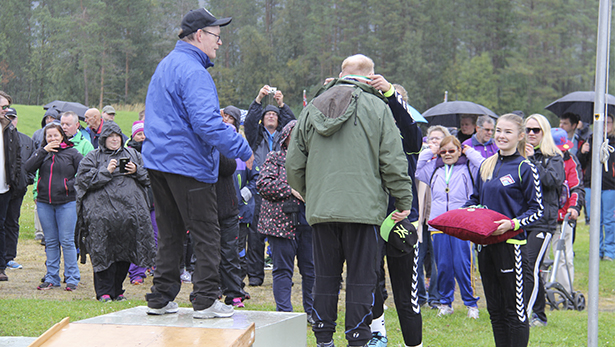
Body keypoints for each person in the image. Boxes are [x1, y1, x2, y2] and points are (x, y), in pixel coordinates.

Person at [286, 54, 414, 347]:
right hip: (364, 210)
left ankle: (323, 339)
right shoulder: (378, 107)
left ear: (341, 73)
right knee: (361, 278)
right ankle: (357, 338)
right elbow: (393, 161)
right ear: (370, 77)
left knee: (325, 276)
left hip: (323, 210)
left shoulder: (312, 107)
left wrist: (309, 192)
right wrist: (403, 199)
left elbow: (294, 160)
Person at [142, 8, 254, 319]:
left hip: (159, 162)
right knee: (207, 232)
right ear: (200, 36)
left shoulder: (165, 65)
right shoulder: (194, 72)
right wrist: (242, 148)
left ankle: (161, 297)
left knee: (171, 232)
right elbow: (207, 124)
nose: (220, 43)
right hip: (188, 164)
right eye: (217, 37)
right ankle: (205, 299)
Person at [463, 113, 543, 347]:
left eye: (508, 132)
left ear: (519, 136)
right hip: (486, 246)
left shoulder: (525, 167)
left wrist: (513, 224)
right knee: (495, 310)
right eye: (498, 130)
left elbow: (537, 210)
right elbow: (475, 199)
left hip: (512, 247)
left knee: (515, 312)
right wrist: (465, 215)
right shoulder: (487, 165)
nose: (501, 135)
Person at [367, 77, 423, 346]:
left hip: (400, 220)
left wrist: (391, 93)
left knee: (405, 293)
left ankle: (414, 343)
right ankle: (378, 334)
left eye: (393, 100)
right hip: (371, 219)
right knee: (371, 284)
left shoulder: (409, 136)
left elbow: (414, 138)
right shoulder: (370, 131)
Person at [75, 121, 155, 301]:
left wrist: (136, 170)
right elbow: (82, 182)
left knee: (125, 252)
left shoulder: (133, 154)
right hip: (102, 217)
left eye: (117, 136)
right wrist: (105, 171)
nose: (114, 139)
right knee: (103, 252)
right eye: (110, 136)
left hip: (129, 216)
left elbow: (149, 178)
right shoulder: (92, 157)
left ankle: (118, 290)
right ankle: (104, 291)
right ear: (103, 138)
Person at [415, 135, 483, 319]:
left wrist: (470, 152)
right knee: (443, 265)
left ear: (459, 150)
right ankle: (446, 303)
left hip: (462, 222)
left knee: (463, 264)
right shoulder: (434, 168)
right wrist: (431, 150)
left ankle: (471, 304)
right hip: (439, 222)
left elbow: (484, 167)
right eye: (443, 151)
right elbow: (417, 167)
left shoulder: (468, 166)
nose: (447, 154)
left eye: (452, 151)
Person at [257, 120, 315, 321]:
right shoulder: (275, 158)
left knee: (311, 270)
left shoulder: (314, 160)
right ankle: (284, 314)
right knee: (282, 270)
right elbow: (262, 184)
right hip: (281, 225)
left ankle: (312, 312)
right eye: (296, 133)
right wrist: (289, 189)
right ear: (286, 136)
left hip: (309, 223)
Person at [244, 85, 295, 287]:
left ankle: (283, 275)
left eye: (275, 114)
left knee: (282, 235)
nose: (272, 116)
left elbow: (292, 123)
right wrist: (259, 99)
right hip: (260, 189)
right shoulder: (255, 136)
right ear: (263, 119)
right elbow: (249, 121)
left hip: (282, 191)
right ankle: (255, 276)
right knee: (256, 235)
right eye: (268, 114)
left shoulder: (284, 137)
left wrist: (282, 104)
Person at [25, 124, 81, 290]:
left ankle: (72, 278)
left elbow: (85, 171)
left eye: (55, 135)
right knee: (50, 242)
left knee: (67, 241)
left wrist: (69, 185)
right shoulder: (42, 153)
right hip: (44, 203)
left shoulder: (72, 153)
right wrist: (44, 151)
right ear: (45, 138)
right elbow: (28, 168)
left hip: (67, 203)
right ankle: (51, 277)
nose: (52, 139)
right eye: (49, 136)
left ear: (62, 136)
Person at [522, 114, 565, 328]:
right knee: (529, 268)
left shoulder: (553, 157)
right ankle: (539, 314)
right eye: (528, 129)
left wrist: (530, 162)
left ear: (544, 132)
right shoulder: (517, 155)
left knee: (530, 265)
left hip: (542, 221)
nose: (531, 133)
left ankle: (527, 315)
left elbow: (553, 181)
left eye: (535, 130)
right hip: (522, 220)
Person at [416, 126, 451, 310]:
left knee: (439, 260)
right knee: (417, 258)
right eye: (431, 138)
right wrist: (428, 152)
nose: (434, 142)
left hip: (439, 219)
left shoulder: (448, 163)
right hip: (420, 218)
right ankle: (419, 296)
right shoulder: (423, 160)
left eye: (438, 139)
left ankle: (436, 297)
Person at [550, 128, 584, 292]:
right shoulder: (542, 159)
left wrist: (574, 207)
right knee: (541, 258)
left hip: (564, 217)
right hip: (543, 217)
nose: (563, 152)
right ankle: (540, 291)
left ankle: (565, 293)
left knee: (564, 257)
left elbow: (576, 187)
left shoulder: (571, 161)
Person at [125, 120, 158, 286]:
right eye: (139, 134)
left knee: (156, 236)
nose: (142, 137)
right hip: (136, 201)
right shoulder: (127, 153)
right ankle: (136, 272)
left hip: (155, 200)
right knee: (138, 237)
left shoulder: (155, 151)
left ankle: (153, 266)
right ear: (133, 135)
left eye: (145, 133)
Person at [578, 114, 615, 261]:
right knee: (595, 220)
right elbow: (579, 162)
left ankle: (610, 252)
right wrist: (582, 151)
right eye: (602, 122)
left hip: (610, 186)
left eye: (608, 122)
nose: (605, 124)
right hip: (591, 185)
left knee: (609, 220)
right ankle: (597, 251)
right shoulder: (591, 140)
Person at [2, 107, 31, 271]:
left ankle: (9, 256)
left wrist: (27, 180)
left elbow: (32, 162)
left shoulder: (26, 140)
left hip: (18, 189)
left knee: (12, 222)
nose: (11, 120)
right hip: (2, 187)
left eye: (13, 117)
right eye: (7, 117)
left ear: (17, 119)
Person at [0, 92, 22, 282]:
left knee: (2, 226)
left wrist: (13, 179)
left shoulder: (9, 128)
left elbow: (16, 157)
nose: (5, 110)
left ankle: (1, 266)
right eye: (3, 106)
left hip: (4, 187)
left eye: (7, 106)